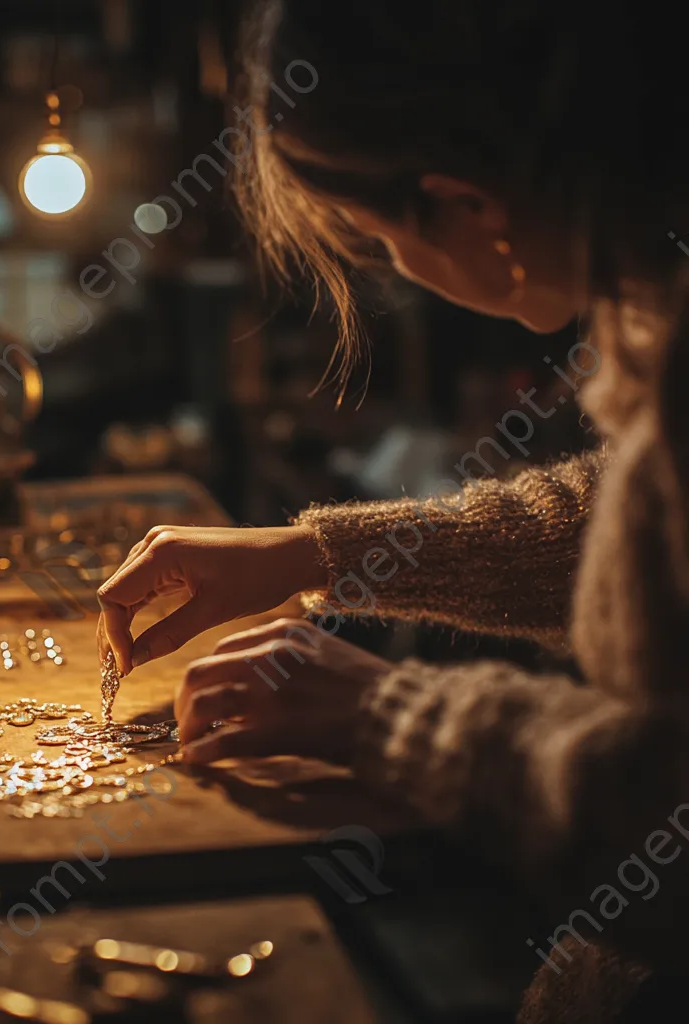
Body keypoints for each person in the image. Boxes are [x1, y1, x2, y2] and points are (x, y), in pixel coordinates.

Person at [95, 2, 689, 1021]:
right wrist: (316, 551)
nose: (392, 264)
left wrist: (385, 713)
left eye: (374, 235)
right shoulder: (654, 294)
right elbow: (634, 528)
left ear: (462, 202)